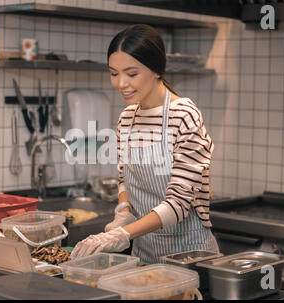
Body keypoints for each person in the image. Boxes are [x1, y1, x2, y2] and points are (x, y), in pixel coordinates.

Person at [71, 24, 219, 263]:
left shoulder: (184, 115)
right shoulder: (127, 118)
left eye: (131, 74)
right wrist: (124, 212)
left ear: (156, 70)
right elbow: (125, 177)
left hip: (189, 256)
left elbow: (178, 204)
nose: (121, 84)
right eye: (113, 73)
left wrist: (123, 233)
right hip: (143, 255)